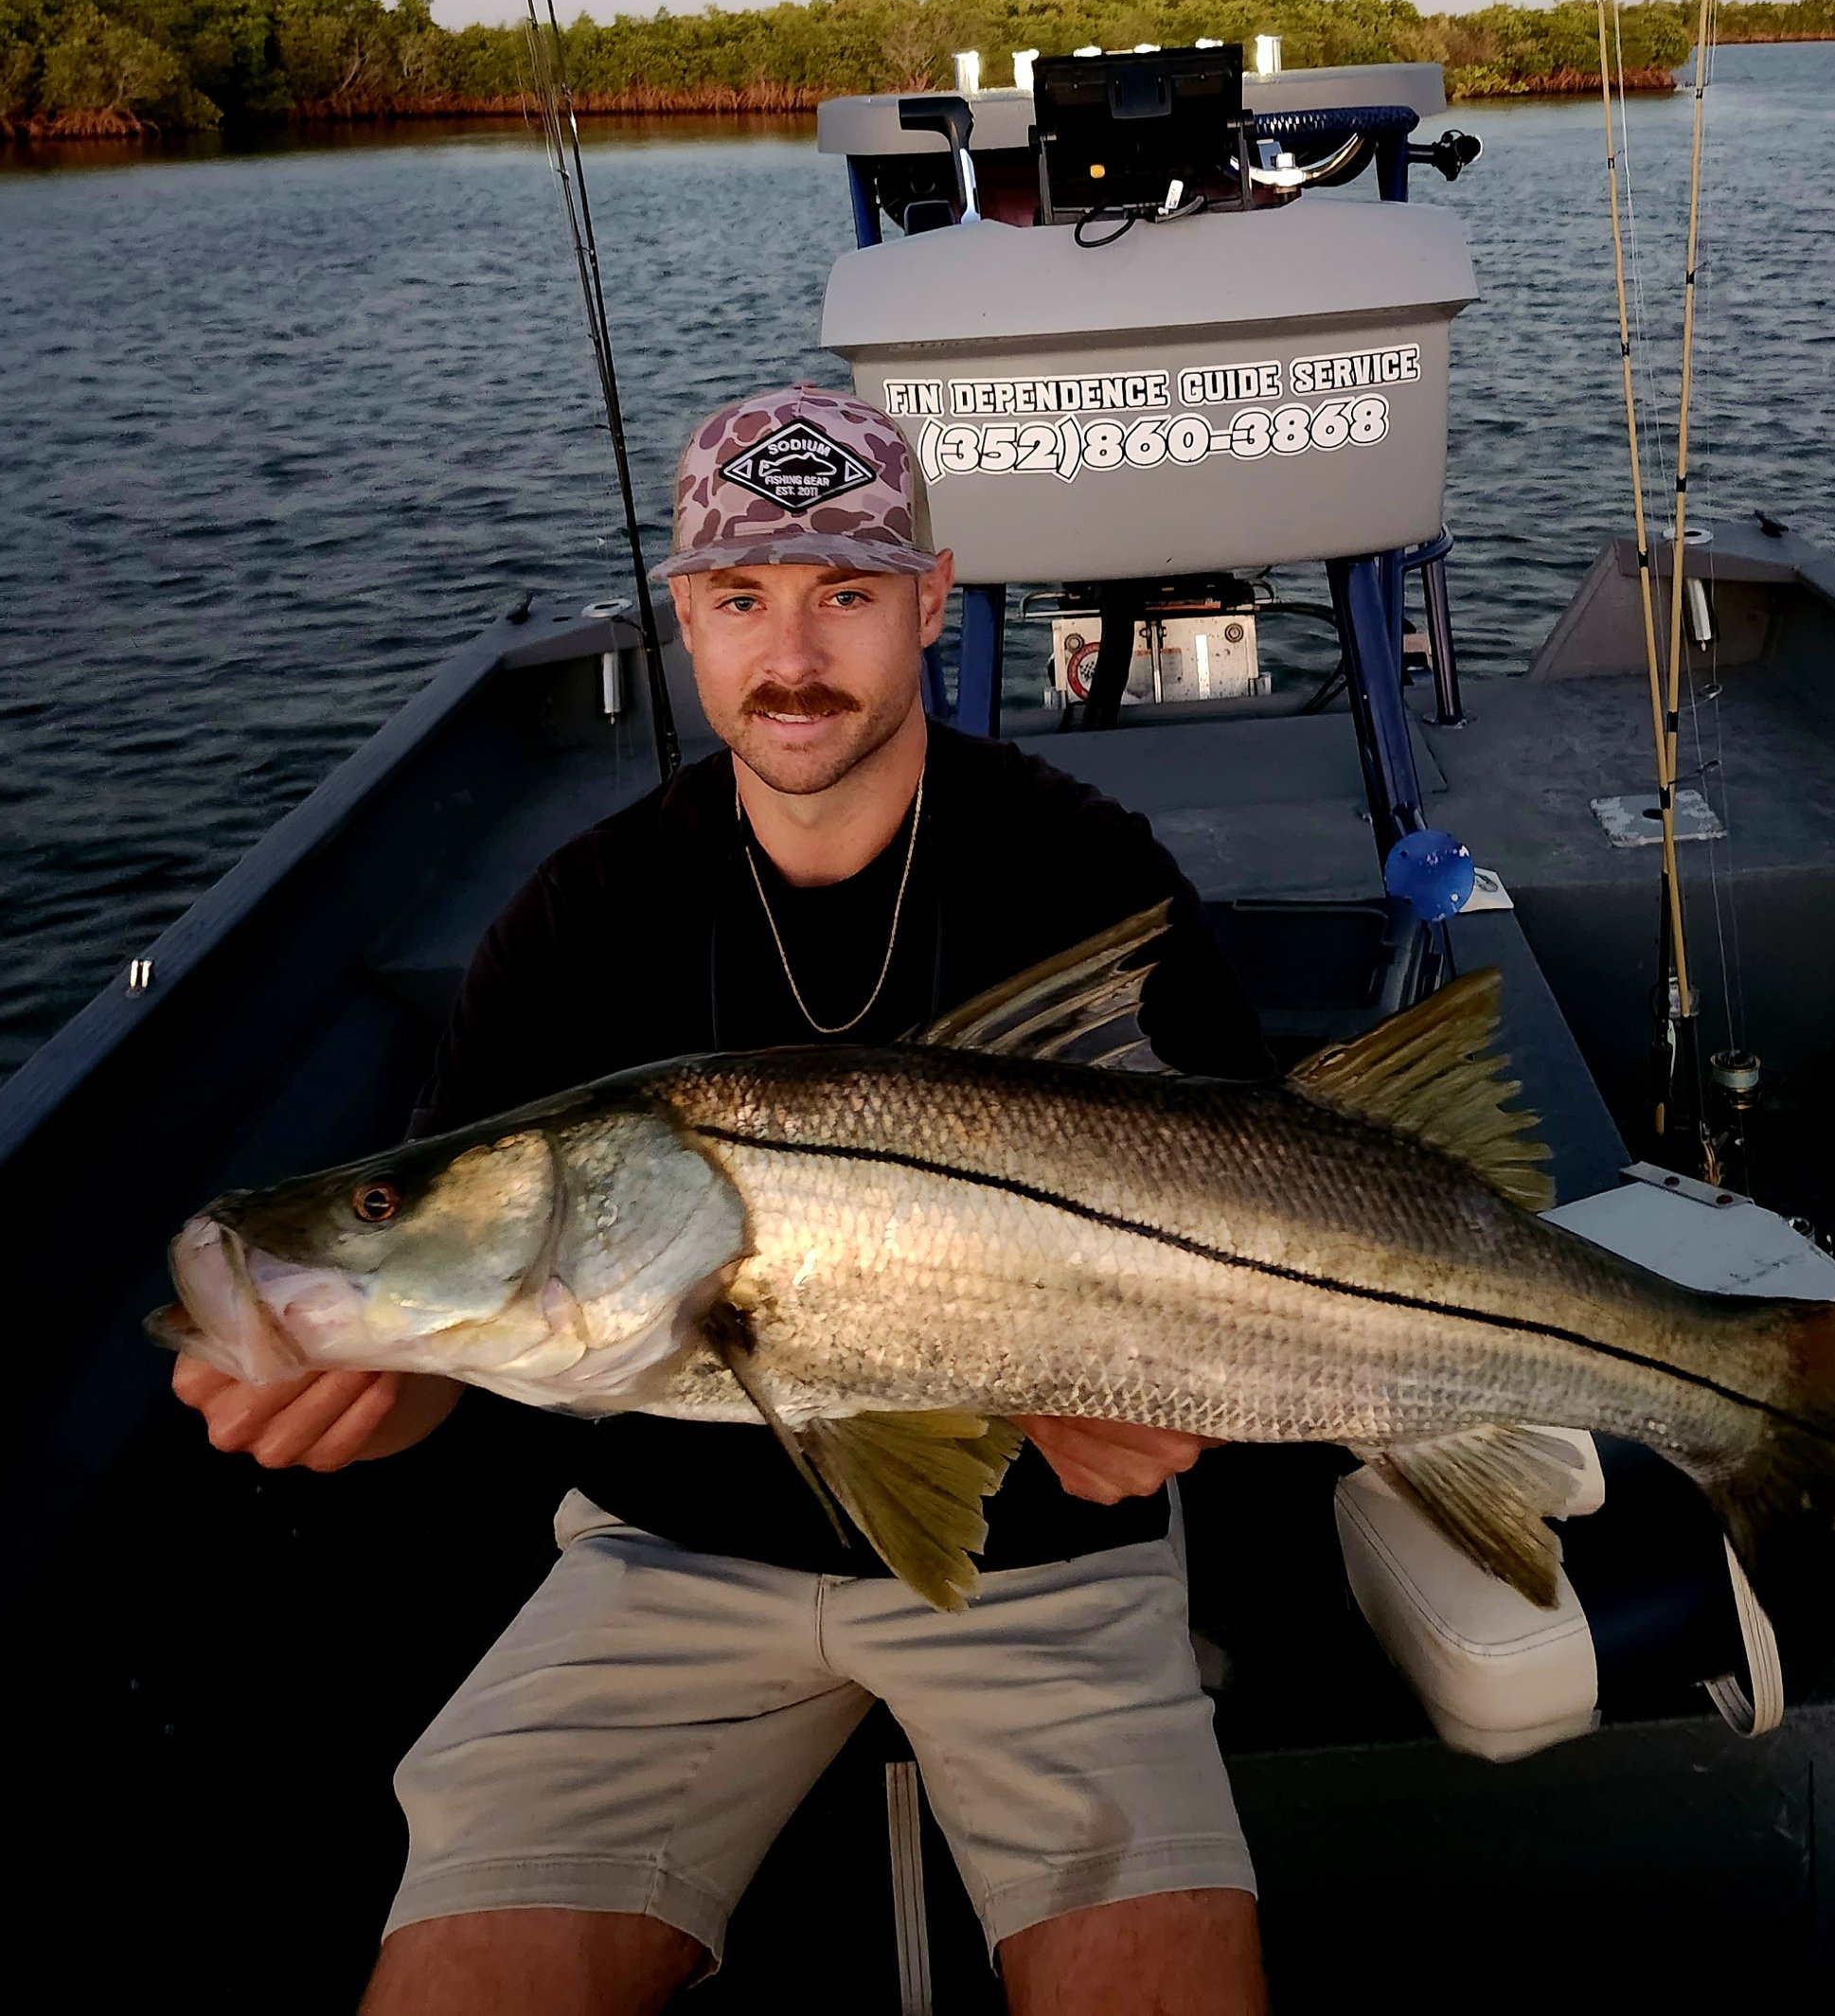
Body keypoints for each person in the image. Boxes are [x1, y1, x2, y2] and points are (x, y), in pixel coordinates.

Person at [173, 388, 1274, 2016]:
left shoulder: (1084, 873)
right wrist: (373, 1390)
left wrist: (1171, 1408)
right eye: (744, 597)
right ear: (684, 613)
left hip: (1050, 1550)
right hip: (663, 1549)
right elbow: (442, 1352)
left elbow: (1255, 1250)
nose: (795, 653)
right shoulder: (576, 921)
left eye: (847, 593)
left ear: (932, 600)